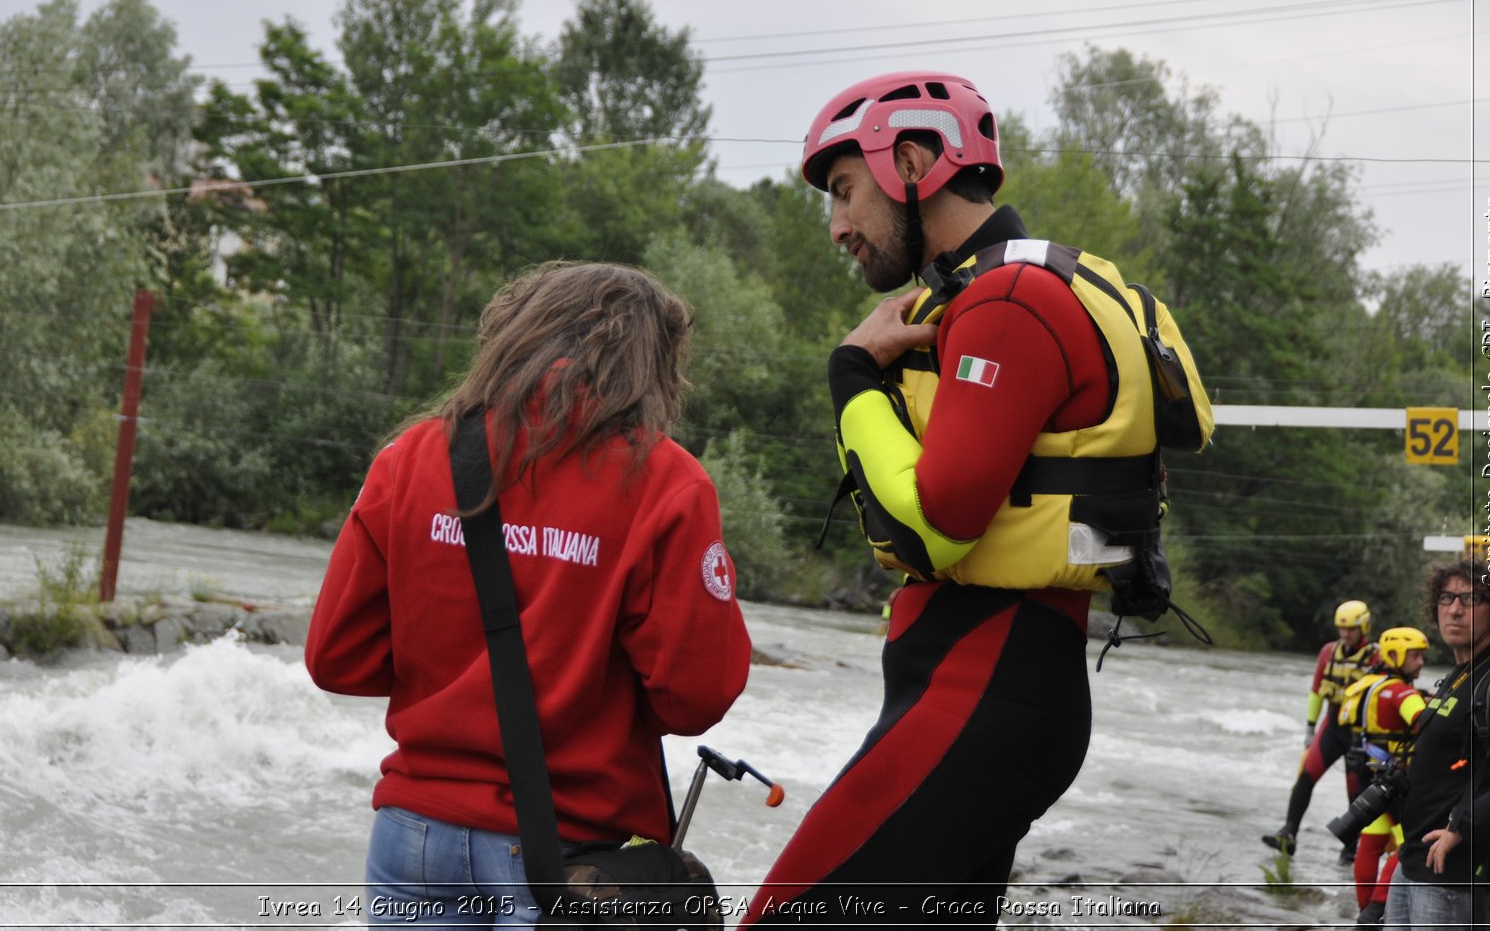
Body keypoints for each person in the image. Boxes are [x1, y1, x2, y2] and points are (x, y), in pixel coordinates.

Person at [741, 72, 1209, 928]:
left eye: (844, 191)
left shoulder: (1008, 300)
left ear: (913, 161)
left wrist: (850, 376)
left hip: (985, 683)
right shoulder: (984, 293)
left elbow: (936, 529)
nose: (837, 226)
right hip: (982, 682)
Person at [305, 261, 752, 927]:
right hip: (569, 855)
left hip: (413, 832)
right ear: (651, 363)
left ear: (517, 333)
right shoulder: (666, 483)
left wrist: (452, 676)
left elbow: (336, 655)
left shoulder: (411, 456)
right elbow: (695, 697)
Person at [1385, 557, 1490, 930]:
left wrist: (1461, 827)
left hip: (1457, 872)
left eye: (1471, 600)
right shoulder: (1461, 673)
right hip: (1414, 863)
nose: (1455, 609)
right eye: (1446, 598)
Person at [1261, 599, 1380, 860]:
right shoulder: (1328, 651)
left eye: (1351, 629)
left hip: (1360, 734)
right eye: (1342, 629)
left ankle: (1350, 851)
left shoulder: (1377, 656)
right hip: (1332, 727)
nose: (1346, 634)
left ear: (1364, 628)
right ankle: (1288, 834)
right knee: (1305, 777)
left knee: (1355, 791)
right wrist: (1310, 728)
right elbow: (1317, 691)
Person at [1335, 626, 1429, 927]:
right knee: (1409, 844)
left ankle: (1365, 911)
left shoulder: (1365, 684)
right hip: (1395, 781)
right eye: (1415, 656)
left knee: (1371, 843)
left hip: (1366, 775)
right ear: (1394, 655)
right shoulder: (1403, 692)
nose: (1421, 663)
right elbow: (1427, 723)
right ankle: (1376, 909)